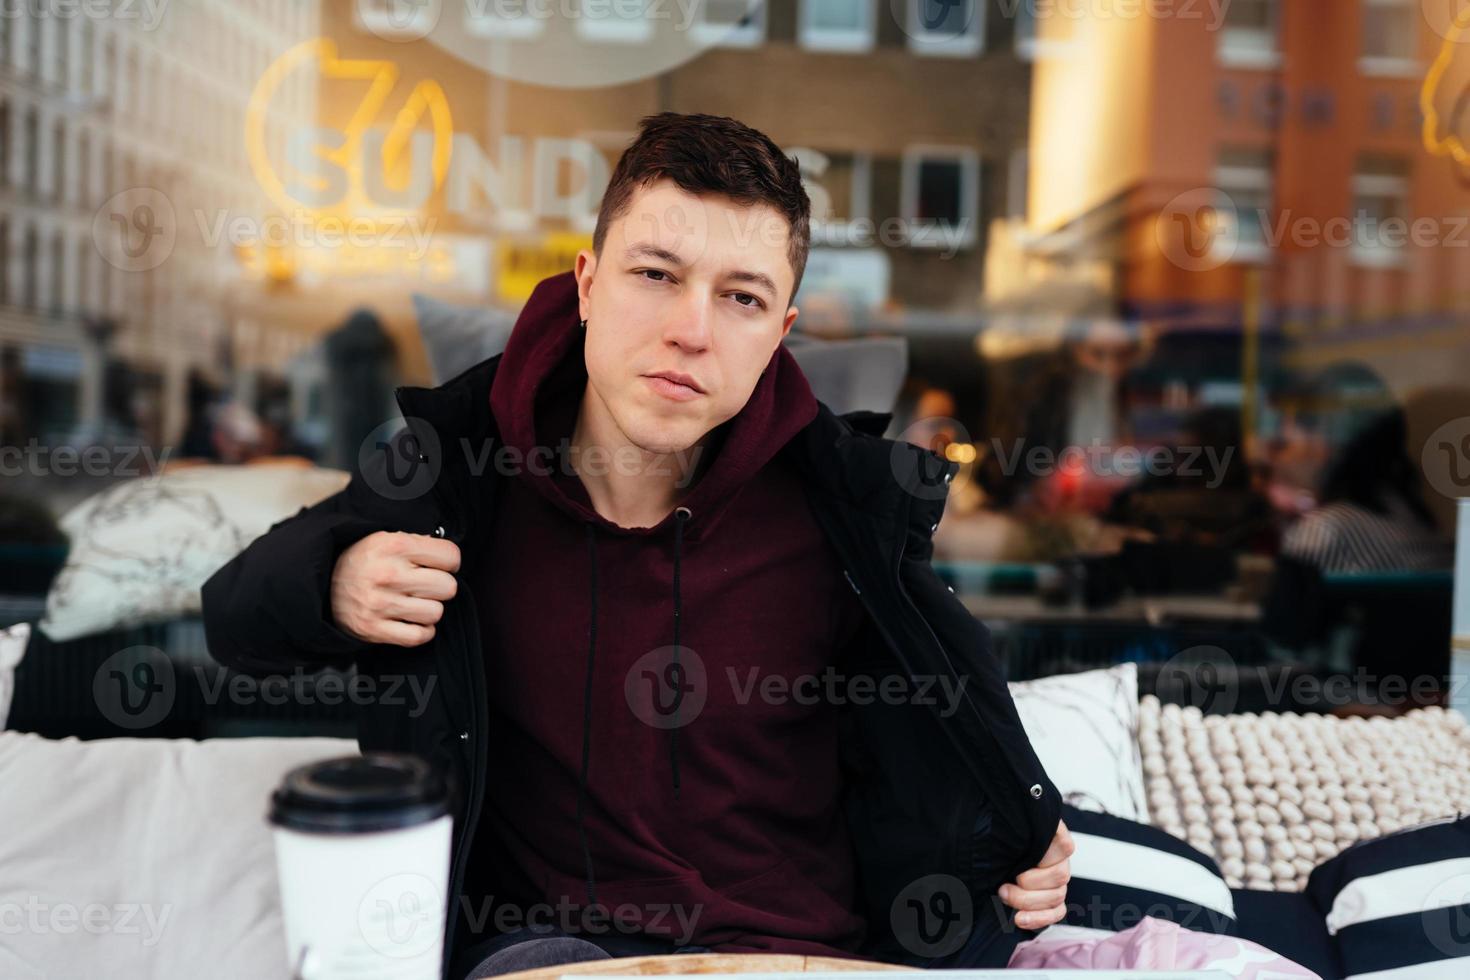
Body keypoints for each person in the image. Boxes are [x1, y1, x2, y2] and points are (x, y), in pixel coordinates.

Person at [202, 113, 1071, 979]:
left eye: (742, 297)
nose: (692, 330)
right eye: (656, 274)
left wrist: (1019, 844)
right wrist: (337, 580)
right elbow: (235, 615)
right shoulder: (457, 474)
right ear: (587, 285)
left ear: (780, 329)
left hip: (804, 956)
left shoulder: (844, 507)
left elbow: (949, 733)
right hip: (547, 953)